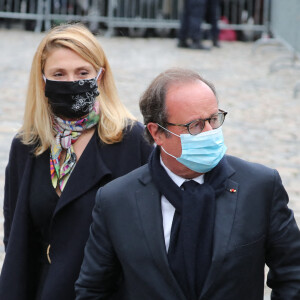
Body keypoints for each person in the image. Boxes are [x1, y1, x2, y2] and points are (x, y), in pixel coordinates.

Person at [75, 68, 300, 299]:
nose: (211, 132)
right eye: (195, 126)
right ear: (157, 133)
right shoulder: (116, 200)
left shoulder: (259, 186)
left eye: (213, 119)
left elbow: (293, 274)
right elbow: (93, 289)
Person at [0, 23, 153, 300]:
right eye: (59, 74)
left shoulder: (132, 140)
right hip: (43, 288)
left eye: (83, 73)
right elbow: (15, 232)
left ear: (100, 76)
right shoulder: (28, 145)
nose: (71, 81)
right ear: (43, 80)